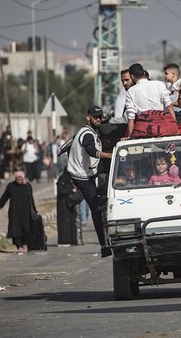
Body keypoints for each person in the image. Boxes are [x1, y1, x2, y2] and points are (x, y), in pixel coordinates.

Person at [67, 105, 114, 257]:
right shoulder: (87, 134)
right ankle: (103, 244)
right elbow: (91, 150)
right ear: (88, 117)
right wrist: (110, 155)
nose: (99, 119)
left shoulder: (91, 130)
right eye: (96, 117)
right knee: (96, 207)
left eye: (100, 117)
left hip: (91, 171)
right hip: (82, 177)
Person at [125, 63, 176, 137]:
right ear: (143, 73)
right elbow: (169, 106)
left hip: (144, 130)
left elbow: (131, 117)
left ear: (132, 76)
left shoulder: (131, 91)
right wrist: (174, 126)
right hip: (162, 127)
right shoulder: (159, 84)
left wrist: (129, 137)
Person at [0, 171, 36, 253]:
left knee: (26, 229)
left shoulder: (27, 186)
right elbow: (4, 198)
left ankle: (25, 244)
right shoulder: (11, 186)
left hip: (26, 212)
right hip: (14, 212)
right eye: (17, 179)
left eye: (21, 179)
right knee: (15, 229)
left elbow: (31, 200)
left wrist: (34, 210)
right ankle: (19, 245)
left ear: (23, 178)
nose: (19, 181)